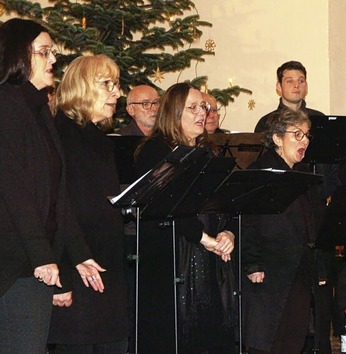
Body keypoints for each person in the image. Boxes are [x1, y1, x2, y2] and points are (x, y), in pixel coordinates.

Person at [0, 18, 104, 353]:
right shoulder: (5, 105)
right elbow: (14, 190)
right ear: (19, 56)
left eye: (53, 52)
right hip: (14, 260)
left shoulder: (40, 111)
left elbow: (57, 195)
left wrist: (80, 253)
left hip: (32, 258)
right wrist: (41, 256)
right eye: (44, 52)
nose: (53, 60)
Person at [134, 82, 236, 353]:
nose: (201, 112)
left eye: (203, 106)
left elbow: (225, 204)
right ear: (174, 112)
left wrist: (227, 233)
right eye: (193, 107)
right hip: (173, 262)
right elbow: (162, 206)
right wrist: (205, 239)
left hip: (209, 261)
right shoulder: (155, 151)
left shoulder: (209, 152)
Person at [48, 54, 128, 353]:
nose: (116, 93)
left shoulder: (97, 138)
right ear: (81, 87)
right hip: (77, 268)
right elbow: (56, 210)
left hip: (105, 266)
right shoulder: (61, 135)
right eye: (106, 84)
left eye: (116, 84)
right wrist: (63, 277)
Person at [242, 108, 325, 354]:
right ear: (277, 138)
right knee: (272, 340)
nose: (305, 141)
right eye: (297, 135)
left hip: (298, 270)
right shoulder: (262, 173)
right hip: (270, 272)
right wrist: (252, 263)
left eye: (307, 135)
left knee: (295, 338)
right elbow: (246, 221)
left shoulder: (302, 173)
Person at [254, 60, 324, 133]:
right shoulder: (266, 123)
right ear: (279, 86)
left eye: (301, 81)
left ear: (306, 86)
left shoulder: (319, 120)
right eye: (290, 81)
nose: (296, 85)